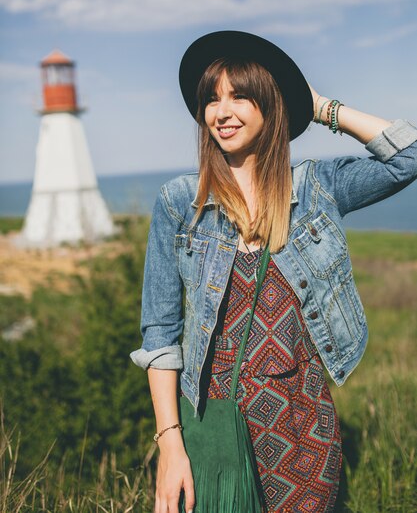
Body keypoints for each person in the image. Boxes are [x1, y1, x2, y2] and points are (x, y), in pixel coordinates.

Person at [130, 31, 417, 513]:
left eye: (239, 95)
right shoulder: (181, 202)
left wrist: (320, 106)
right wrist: (170, 446)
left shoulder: (316, 189)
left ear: (271, 103)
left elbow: (407, 157)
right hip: (214, 420)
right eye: (212, 99)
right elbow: (160, 333)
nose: (222, 112)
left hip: (304, 422)